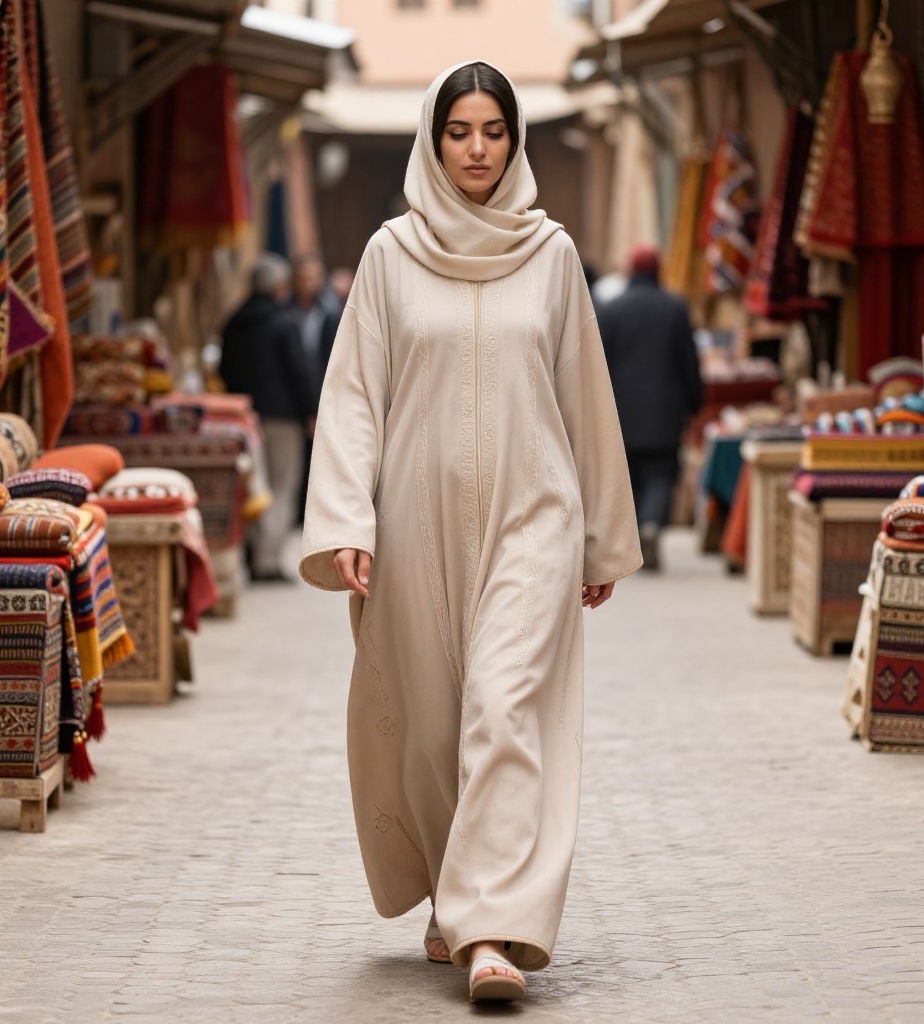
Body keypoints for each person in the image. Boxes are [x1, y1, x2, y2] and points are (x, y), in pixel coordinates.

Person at [299, 61, 641, 1003]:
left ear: (515, 138)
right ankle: (457, 896)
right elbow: (355, 397)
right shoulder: (389, 255)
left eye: (494, 130)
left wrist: (602, 537)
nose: (479, 149)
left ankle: (493, 930)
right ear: (434, 139)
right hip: (412, 527)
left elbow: (586, 398)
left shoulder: (554, 254)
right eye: (461, 132)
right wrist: (343, 519)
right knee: (436, 727)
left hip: (535, 515)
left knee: (500, 709)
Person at [597, 245, 703, 571]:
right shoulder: (675, 308)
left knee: (629, 475)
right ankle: (652, 524)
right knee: (661, 472)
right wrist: (695, 399)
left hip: (621, 410)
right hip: (664, 411)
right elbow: (689, 360)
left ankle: (637, 533)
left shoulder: (610, 310)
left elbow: (597, 364)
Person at [219, 253, 316, 582]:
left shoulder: (235, 321)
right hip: (282, 418)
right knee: (281, 483)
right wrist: (311, 411)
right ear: (278, 286)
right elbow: (298, 370)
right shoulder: (283, 321)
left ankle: (253, 548)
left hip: (242, 417)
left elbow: (223, 369)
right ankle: (267, 560)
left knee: (251, 484)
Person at [288, 253, 342, 524]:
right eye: (303, 276)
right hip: (292, 394)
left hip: (324, 389)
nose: (309, 282)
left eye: (313, 276)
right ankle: (298, 513)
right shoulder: (286, 313)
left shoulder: (332, 313)